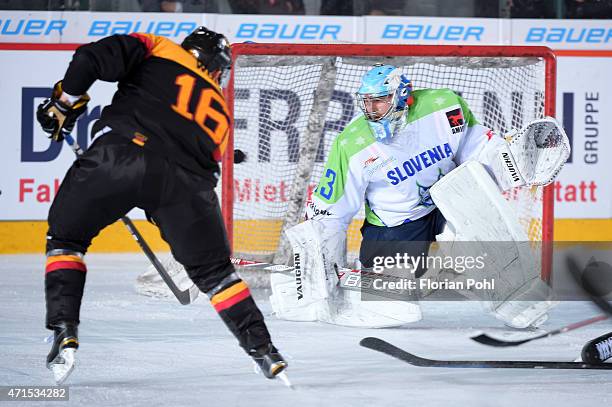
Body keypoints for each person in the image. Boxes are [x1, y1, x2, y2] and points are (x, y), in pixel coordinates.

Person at [37, 26, 286, 384]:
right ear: (218, 68)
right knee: (217, 274)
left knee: (66, 241)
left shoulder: (160, 47)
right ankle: (264, 350)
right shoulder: (220, 109)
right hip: (183, 186)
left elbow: (89, 58)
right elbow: (207, 166)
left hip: (119, 154)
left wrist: (64, 104)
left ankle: (64, 329)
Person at [270, 64, 567, 329]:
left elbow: (474, 152)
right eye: (368, 103)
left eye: (380, 102)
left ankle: (518, 300)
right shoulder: (352, 144)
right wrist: (321, 265)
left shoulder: (443, 106)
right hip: (395, 225)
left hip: (447, 203)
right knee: (393, 307)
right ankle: (413, 277)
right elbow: (331, 212)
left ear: (402, 96)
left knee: (479, 217)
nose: (372, 110)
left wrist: (509, 161)